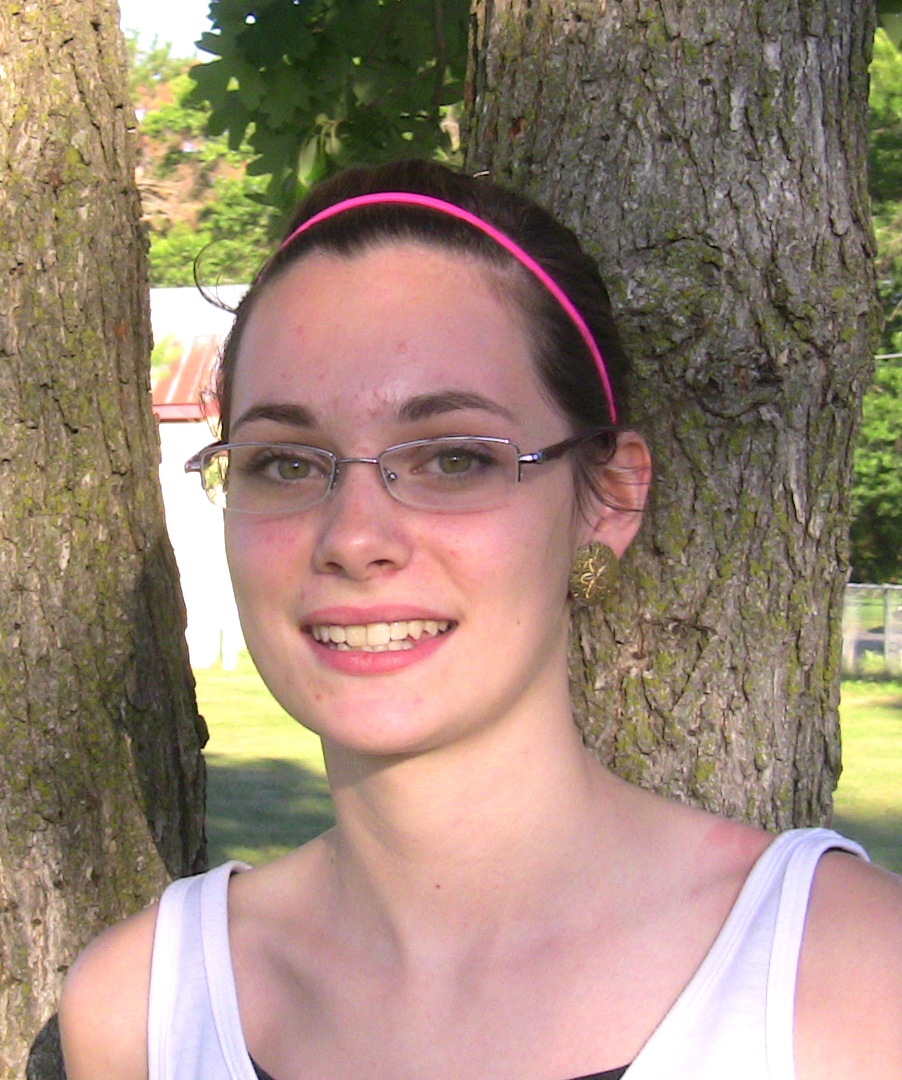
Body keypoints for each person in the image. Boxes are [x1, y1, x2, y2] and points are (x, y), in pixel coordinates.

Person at [59, 159, 902, 1079]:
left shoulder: (849, 985)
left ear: (609, 497)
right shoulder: (144, 1015)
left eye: (454, 458)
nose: (354, 538)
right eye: (287, 463)